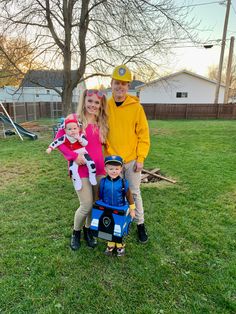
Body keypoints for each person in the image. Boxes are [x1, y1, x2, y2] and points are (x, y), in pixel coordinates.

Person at [55, 89, 108, 250]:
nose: (93, 105)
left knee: (95, 203)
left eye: (96, 102)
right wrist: (72, 156)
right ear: (84, 101)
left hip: (98, 169)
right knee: (86, 204)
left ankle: (88, 231)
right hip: (80, 169)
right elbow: (58, 140)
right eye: (90, 101)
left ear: (101, 105)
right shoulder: (75, 120)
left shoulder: (102, 122)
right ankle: (76, 233)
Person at [104, 64, 150, 243]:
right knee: (114, 193)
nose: (120, 87)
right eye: (117, 83)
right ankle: (117, 223)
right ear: (111, 84)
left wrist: (141, 158)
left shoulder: (136, 108)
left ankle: (140, 225)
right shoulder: (105, 106)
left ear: (128, 86)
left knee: (134, 193)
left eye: (123, 84)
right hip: (112, 161)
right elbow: (101, 130)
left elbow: (143, 135)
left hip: (131, 160)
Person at [46, 115, 97, 191]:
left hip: (83, 152)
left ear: (78, 128)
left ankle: (92, 175)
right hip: (73, 155)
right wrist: (50, 148)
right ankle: (77, 181)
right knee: (72, 169)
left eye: (74, 128)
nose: (72, 131)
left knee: (91, 163)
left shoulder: (80, 135)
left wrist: (79, 139)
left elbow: (85, 143)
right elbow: (56, 142)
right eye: (69, 129)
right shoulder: (65, 137)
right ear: (65, 130)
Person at [98, 155, 136, 257]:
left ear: (121, 169)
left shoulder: (123, 183)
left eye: (117, 169)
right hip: (107, 209)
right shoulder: (103, 182)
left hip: (120, 210)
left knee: (119, 228)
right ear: (105, 169)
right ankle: (110, 245)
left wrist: (132, 209)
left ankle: (120, 246)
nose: (114, 171)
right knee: (109, 227)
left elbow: (129, 196)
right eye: (111, 169)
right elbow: (100, 196)